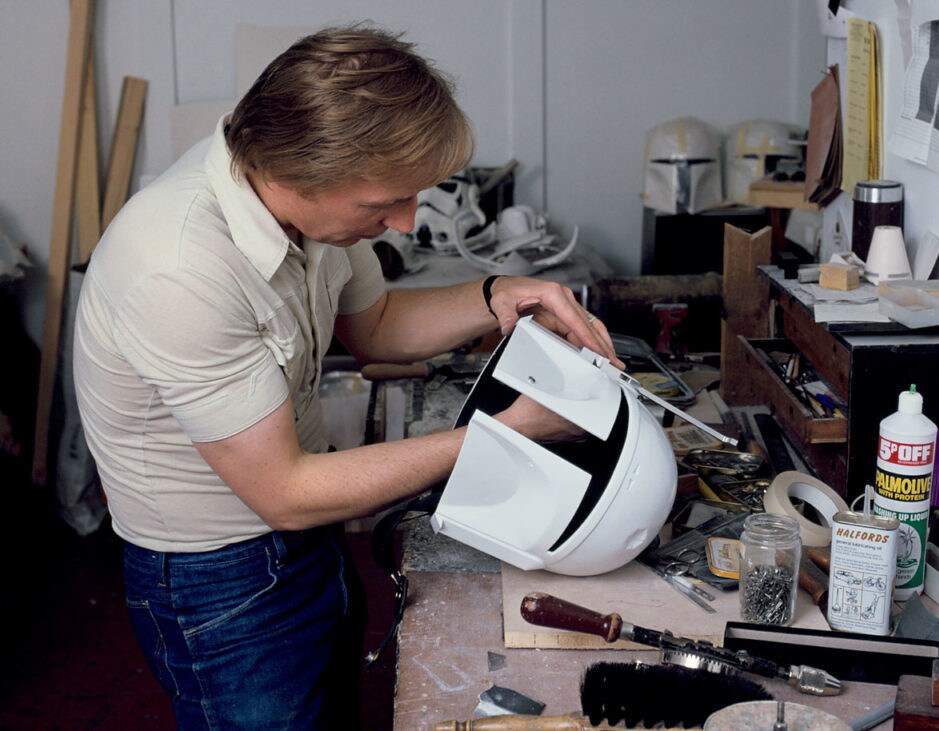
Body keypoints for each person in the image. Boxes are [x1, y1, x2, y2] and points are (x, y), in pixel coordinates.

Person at [72, 23, 619, 729]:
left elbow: (377, 324)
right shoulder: (179, 267)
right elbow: (286, 492)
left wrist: (499, 291)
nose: (404, 220)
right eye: (383, 203)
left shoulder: (298, 210)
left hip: (308, 534)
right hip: (218, 580)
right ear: (301, 173)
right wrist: (504, 434)